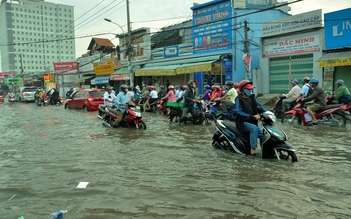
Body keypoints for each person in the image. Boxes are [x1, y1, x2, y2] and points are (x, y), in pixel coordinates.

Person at [235, 80, 266, 155]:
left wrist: (267, 113)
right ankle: (253, 150)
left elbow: (260, 106)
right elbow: (238, 111)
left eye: (251, 89)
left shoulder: (252, 98)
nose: (250, 90)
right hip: (242, 122)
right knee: (254, 128)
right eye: (248, 89)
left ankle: (265, 151)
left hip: (252, 121)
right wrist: (251, 116)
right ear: (243, 89)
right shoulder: (238, 99)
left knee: (264, 135)